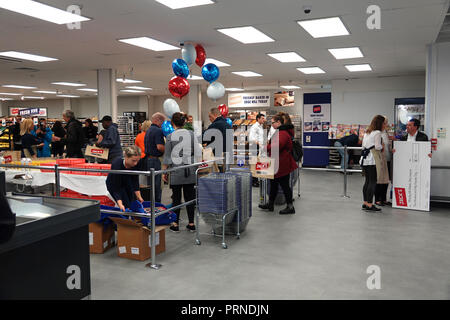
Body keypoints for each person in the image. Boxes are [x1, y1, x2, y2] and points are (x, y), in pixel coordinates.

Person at [162, 112, 198, 233]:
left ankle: (175, 223)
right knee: (190, 197)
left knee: (176, 198)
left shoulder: (170, 136)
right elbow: (197, 152)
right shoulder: (192, 134)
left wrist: (164, 172)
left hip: (176, 169)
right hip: (190, 168)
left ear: (173, 123)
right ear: (184, 122)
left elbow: (167, 157)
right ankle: (191, 223)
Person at [259, 114, 298, 214]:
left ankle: (290, 207)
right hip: (279, 163)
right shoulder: (281, 132)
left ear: (278, 122)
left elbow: (278, 145)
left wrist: (266, 147)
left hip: (282, 164)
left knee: (284, 186)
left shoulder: (283, 133)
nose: (271, 125)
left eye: (273, 122)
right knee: (274, 184)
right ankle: (271, 204)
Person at [106, 146, 145, 212]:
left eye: (137, 161)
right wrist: (120, 204)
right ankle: (124, 219)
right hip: (113, 183)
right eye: (133, 161)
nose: (135, 163)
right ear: (126, 157)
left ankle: (133, 218)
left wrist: (139, 196)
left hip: (127, 180)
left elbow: (135, 179)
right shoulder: (116, 164)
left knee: (133, 201)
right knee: (125, 204)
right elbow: (116, 188)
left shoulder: (137, 163)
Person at [360, 115, 385, 212]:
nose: (384, 125)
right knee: (373, 181)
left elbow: (363, 145)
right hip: (372, 158)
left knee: (367, 181)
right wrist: (382, 147)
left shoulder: (367, 132)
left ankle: (365, 202)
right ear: (380, 123)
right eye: (384, 123)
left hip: (365, 158)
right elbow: (378, 147)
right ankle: (370, 204)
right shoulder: (377, 133)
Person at [144, 112, 166, 203]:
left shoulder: (148, 130)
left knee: (151, 185)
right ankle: (157, 207)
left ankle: (151, 206)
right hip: (156, 161)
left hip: (148, 160)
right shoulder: (158, 131)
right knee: (157, 186)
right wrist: (168, 149)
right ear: (158, 120)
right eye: (162, 122)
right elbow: (160, 147)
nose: (163, 124)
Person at [375, 116, 392, 206]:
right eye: (384, 123)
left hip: (388, 159)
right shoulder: (377, 133)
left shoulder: (385, 133)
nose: (386, 124)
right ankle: (377, 199)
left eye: (386, 122)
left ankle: (384, 198)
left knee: (386, 180)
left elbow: (388, 145)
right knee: (379, 180)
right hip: (380, 160)